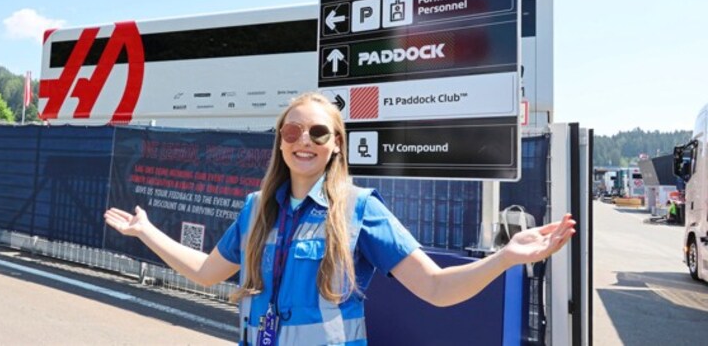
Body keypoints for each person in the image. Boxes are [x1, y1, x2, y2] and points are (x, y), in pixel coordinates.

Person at [104, 92, 576, 345]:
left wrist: (504, 259)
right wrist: (146, 231)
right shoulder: (256, 208)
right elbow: (207, 273)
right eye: (292, 130)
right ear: (280, 141)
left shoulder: (361, 209)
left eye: (317, 131)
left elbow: (435, 288)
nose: (302, 140)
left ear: (335, 146)